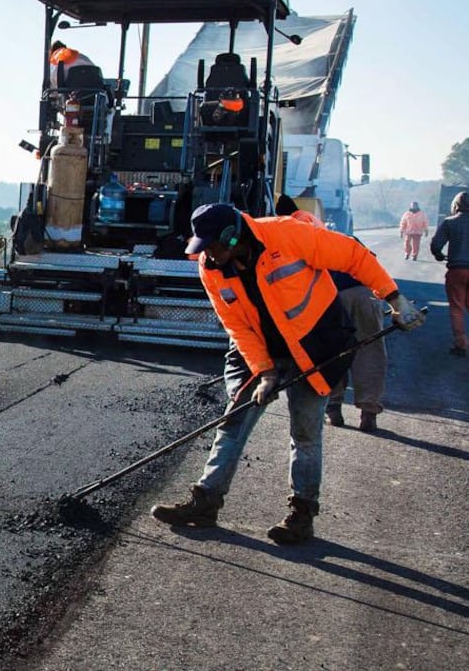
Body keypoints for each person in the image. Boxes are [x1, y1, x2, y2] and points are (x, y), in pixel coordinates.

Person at [151, 203, 423, 544]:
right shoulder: (211, 268)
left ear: (232, 237)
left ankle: (301, 515)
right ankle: (205, 502)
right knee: (234, 421)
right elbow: (236, 326)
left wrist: (396, 300)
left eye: (212, 246)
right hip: (261, 348)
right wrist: (264, 373)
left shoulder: (287, 234)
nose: (208, 255)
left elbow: (354, 255)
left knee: (305, 430)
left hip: (315, 343)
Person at [272, 196, 389, 432]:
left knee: (333, 350)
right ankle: (369, 412)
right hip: (366, 291)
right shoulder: (330, 230)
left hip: (335, 294)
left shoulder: (290, 230)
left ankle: (334, 409)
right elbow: (368, 261)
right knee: (370, 350)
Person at [430, 191, 469, 357]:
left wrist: (438, 255)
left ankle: (461, 345)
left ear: (455, 206)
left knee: (457, 308)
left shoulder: (450, 222)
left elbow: (436, 244)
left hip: (457, 271)